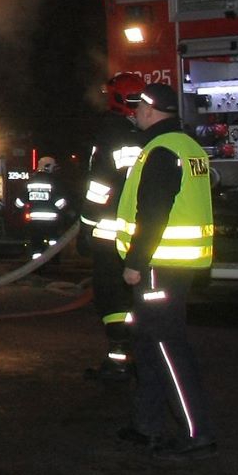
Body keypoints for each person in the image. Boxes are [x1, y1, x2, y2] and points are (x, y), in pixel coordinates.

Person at [114, 82, 218, 463]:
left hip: (158, 265)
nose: (135, 112)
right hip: (175, 265)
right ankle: (147, 425)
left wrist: (136, 263)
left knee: (166, 344)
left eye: (139, 106)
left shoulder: (160, 150)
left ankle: (197, 431)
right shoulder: (187, 146)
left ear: (152, 109)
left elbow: (153, 214)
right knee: (148, 341)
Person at [84, 73, 146, 381]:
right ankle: (138, 357)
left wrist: (86, 224)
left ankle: (118, 358)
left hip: (109, 231)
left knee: (110, 295)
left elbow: (100, 185)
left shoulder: (109, 132)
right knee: (136, 297)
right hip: (142, 231)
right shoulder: (148, 134)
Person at [11, 155, 72, 255]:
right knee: (53, 242)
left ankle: (37, 264)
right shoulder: (53, 182)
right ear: (48, 167)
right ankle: (53, 259)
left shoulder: (30, 182)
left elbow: (20, 202)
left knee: (36, 243)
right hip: (52, 222)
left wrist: (15, 210)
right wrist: (68, 212)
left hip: (34, 221)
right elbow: (60, 202)